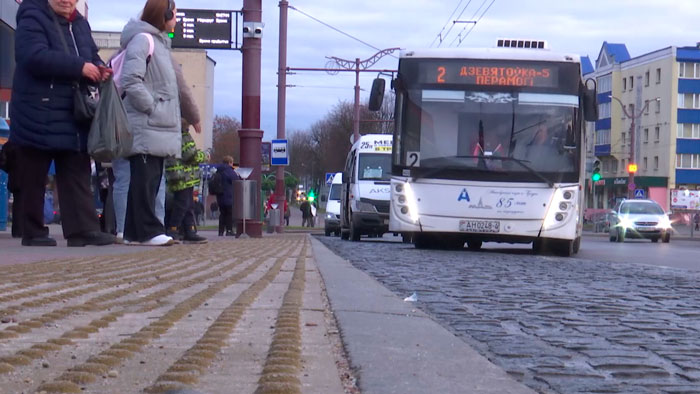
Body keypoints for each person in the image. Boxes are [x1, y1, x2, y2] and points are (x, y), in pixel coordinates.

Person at [8, 0, 115, 247]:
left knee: (76, 168)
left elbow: (89, 54)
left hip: (72, 109)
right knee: (34, 172)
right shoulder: (32, 15)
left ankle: (83, 230)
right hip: (37, 108)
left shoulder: (80, 23)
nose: (67, 0)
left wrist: (98, 67)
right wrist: (80, 67)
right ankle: (33, 232)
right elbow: (33, 57)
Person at [120, 0, 182, 246]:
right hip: (147, 124)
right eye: (174, 14)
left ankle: (134, 232)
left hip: (155, 125)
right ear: (164, 15)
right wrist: (152, 108)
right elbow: (131, 79)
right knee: (145, 180)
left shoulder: (158, 44)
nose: (176, 19)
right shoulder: (144, 41)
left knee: (149, 179)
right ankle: (148, 231)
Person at [164, 119, 207, 243]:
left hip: (177, 174)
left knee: (187, 204)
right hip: (185, 176)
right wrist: (204, 156)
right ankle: (174, 229)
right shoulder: (183, 136)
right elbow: (190, 155)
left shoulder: (173, 135)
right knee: (183, 204)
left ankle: (189, 230)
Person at [215, 156, 239, 236]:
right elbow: (236, 180)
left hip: (220, 196)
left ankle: (220, 231)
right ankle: (229, 230)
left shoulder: (218, 170)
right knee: (229, 214)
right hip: (229, 196)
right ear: (229, 162)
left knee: (222, 214)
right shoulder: (229, 170)